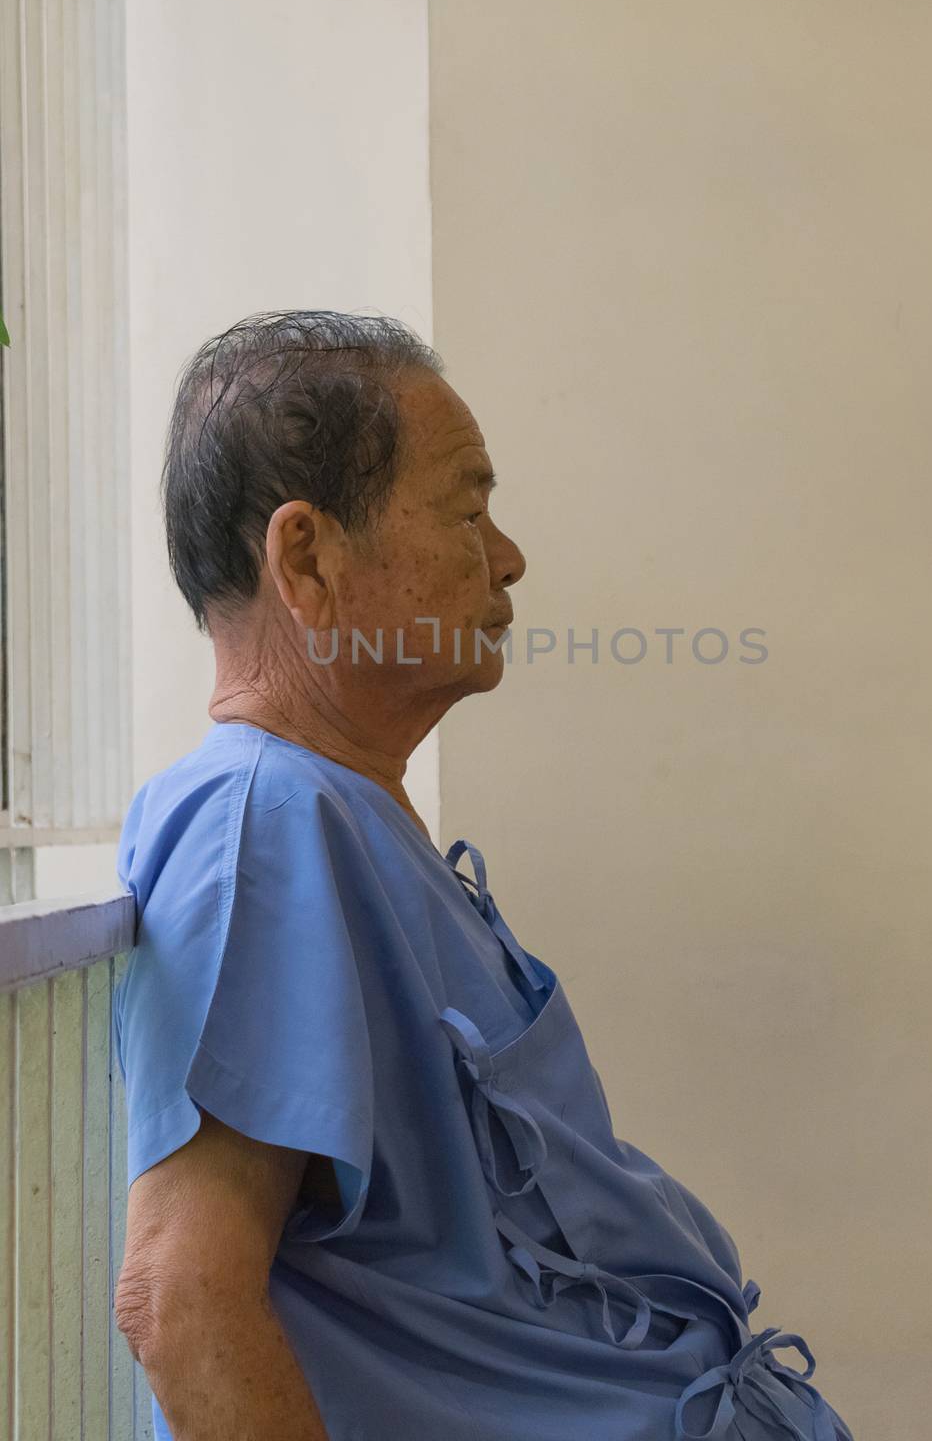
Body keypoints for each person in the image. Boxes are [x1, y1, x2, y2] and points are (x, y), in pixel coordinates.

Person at [113, 309, 853, 1441]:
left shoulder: (349, 816)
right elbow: (179, 1292)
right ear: (306, 557)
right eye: (467, 508)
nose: (506, 558)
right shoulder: (259, 823)